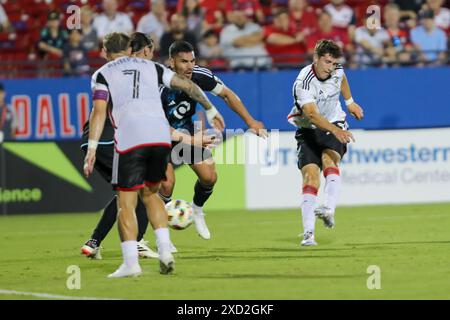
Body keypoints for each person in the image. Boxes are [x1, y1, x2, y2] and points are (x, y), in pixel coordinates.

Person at [83, 32, 223, 278]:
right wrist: (210, 109)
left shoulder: (102, 74)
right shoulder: (153, 68)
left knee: (126, 202)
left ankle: (130, 263)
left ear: (105, 53)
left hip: (131, 138)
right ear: (129, 49)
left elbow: (99, 112)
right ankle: (165, 250)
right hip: (160, 137)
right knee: (152, 195)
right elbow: (188, 85)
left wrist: (92, 147)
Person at [158, 40, 267, 240]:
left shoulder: (199, 75)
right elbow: (157, 124)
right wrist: (190, 140)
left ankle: (197, 211)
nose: (189, 66)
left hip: (186, 133)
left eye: (192, 61)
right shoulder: (160, 84)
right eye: (183, 62)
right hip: (158, 136)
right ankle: (162, 236)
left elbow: (227, 94)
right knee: (166, 185)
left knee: (209, 176)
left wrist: (250, 121)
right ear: (171, 62)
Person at [287, 39, 364, 246]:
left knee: (329, 161)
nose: (331, 67)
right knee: (310, 178)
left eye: (333, 63)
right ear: (316, 59)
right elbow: (311, 115)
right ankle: (308, 233)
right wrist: (336, 131)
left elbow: (343, 79)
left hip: (334, 121)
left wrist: (349, 102)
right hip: (309, 130)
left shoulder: (337, 70)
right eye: (327, 62)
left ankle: (329, 209)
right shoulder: (303, 82)